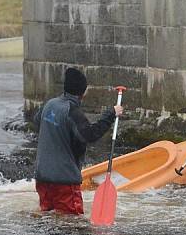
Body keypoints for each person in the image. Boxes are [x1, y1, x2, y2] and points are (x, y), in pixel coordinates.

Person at [32, 67, 124, 215]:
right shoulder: (72, 112)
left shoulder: (49, 104)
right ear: (83, 92)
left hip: (42, 178)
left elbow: (37, 122)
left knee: (48, 218)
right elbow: (90, 135)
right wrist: (111, 114)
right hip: (64, 181)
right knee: (72, 224)